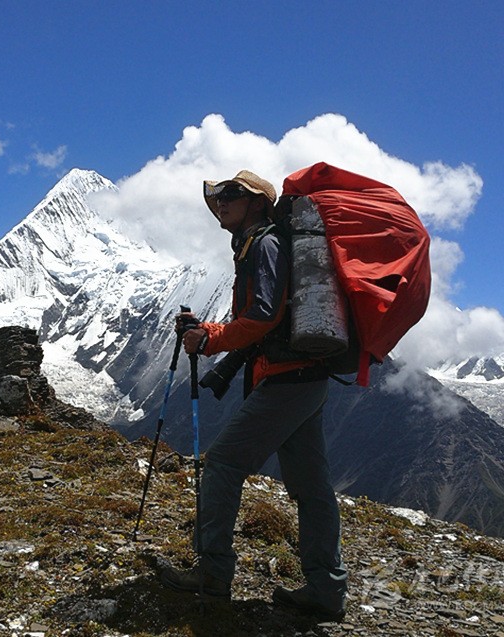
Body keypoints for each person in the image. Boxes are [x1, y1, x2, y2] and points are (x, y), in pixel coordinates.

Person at [160, 170, 348, 621]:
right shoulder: (257, 245)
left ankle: (213, 573)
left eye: (233, 194)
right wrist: (208, 330)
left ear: (259, 203)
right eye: (218, 195)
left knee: (223, 464)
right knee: (312, 488)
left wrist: (210, 339)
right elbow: (262, 320)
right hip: (304, 379)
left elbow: (263, 316)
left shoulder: (264, 245)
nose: (221, 202)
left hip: (286, 380)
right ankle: (326, 589)